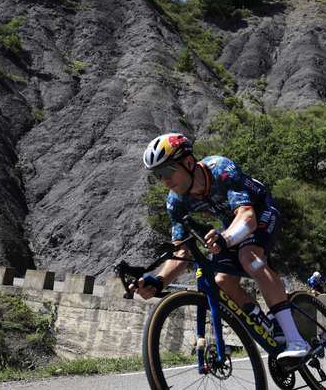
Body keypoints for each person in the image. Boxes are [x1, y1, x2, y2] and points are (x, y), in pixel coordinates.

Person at [130, 132, 310, 361]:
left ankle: (296, 340)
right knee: (221, 281)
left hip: (259, 210)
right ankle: (269, 326)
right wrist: (158, 280)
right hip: (232, 224)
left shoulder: (220, 169)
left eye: (167, 171)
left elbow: (247, 218)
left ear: (187, 162)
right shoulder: (175, 202)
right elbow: (181, 251)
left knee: (249, 257)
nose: (164, 180)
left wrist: (224, 238)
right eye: (157, 175)